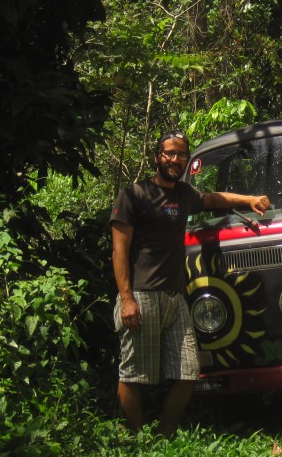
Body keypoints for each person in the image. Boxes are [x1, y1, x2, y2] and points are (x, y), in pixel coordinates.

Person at [110, 130, 270, 437]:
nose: (175, 159)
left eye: (181, 154)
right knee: (133, 375)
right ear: (156, 156)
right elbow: (119, 251)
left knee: (188, 372)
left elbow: (212, 199)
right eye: (169, 153)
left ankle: (164, 436)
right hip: (142, 296)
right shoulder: (134, 195)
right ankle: (137, 439)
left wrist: (249, 199)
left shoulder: (183, 195)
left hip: (175, 298)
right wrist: (126, 298)